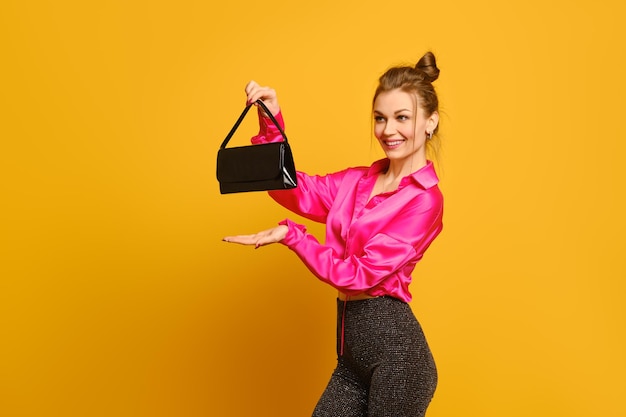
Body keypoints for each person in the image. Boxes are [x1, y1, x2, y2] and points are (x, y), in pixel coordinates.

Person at [223, 51, 444, 417]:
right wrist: (270, 121)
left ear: (429, 123)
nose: (389, 130)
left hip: (398, 362)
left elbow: (359, 276)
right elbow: (292, 190)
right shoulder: (357, 182)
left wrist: (293, 237)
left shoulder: (424, 201)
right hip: (351, 359)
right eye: (380, 118)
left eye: (402, 117)